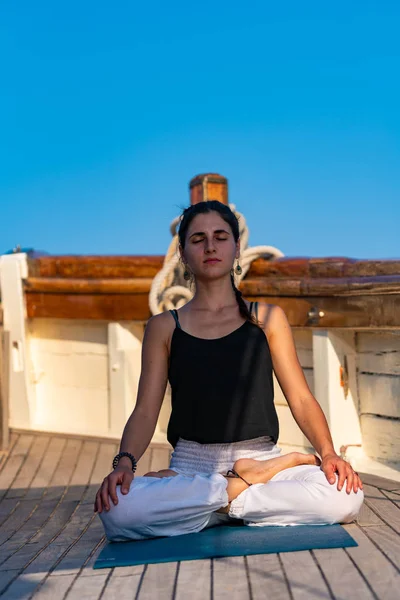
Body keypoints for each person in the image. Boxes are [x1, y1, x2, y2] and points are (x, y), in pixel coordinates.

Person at [95, 200, 364, 541]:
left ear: (236, 248)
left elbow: (300, 397)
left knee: (346, 497)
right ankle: (242, 487)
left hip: (258, 456)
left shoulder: (266, 318)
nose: (210, 246)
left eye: (220, 236)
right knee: (118, 512)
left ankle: (212, 505)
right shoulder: (164, 326)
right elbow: (146, 411)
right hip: (191, 467)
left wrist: (327, 454)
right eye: (198, 239)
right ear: (183, 253)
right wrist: (124, 465)